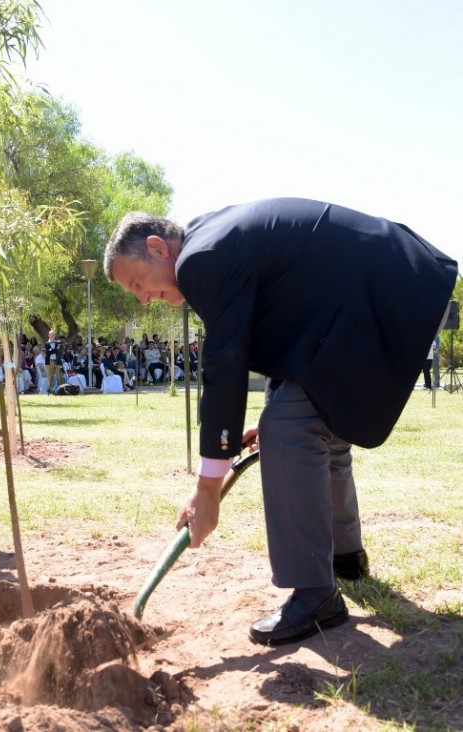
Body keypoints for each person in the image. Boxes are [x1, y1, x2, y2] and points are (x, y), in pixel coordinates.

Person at [105, 198, 457, 647]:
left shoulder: (201, 258)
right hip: (395, 283)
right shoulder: (214, 241)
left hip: (385, 292)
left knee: (293, 425)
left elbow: (224, 366)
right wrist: (266, 415)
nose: (143, 298)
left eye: (138, 282)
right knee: (308, 420)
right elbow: (288, 327)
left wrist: (207, 488)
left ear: (157, 247)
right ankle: (345, 558)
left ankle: (315, 595)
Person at [44, 329, 63, 393]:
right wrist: (55, 350)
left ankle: (61, 389)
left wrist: (52, 350)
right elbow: (48, 352)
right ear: (49, 335)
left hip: (57, 361)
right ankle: (52, 390)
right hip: (49, 361)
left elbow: (57, 351)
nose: (52, 336)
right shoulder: (46, 344)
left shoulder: (57, 343)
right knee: (50, 376)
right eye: (51, 334)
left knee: (59, 375)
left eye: (53, 334)